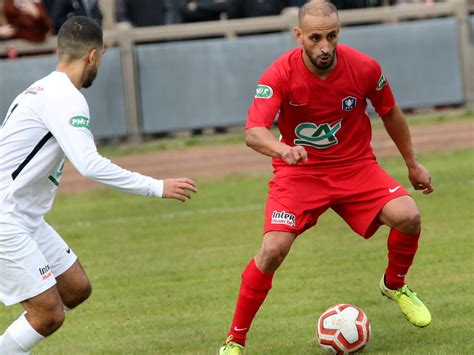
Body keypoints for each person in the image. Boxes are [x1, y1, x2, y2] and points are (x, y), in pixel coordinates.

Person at [218, 1, 433, 353]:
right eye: (315, 38)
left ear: (338, 32)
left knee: (408, 215)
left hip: (356, 167)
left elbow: (390, 112)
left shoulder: (364, 67)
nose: (325, 47)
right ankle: (235, 340)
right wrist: (282, 150)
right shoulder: (280, 74)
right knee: (272, 250)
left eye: (331, 36)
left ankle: (394, 285)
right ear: (298, 35)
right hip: (300, 174)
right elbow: (253, 131)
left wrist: (412, 162)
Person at [0, 16, 197, 353]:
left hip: (26, 217)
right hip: (7, 218)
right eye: (102, 58)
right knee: (47, 314)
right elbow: (89, 165)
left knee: (75, 288)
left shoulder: (42, 88)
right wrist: (156, 186)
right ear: (93, 56)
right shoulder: (66, 98)